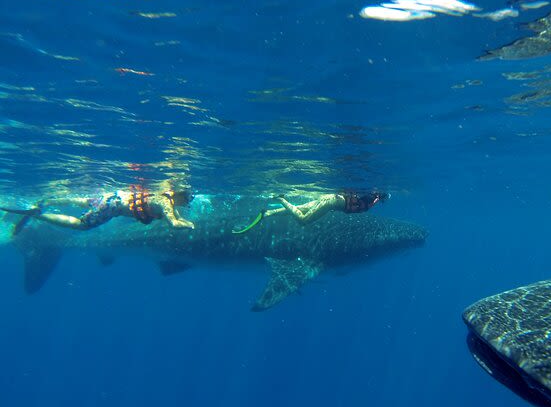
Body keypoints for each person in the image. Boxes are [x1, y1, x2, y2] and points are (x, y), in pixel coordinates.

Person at [0, 186, 195, 233]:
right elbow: (174, 222)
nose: (186, 205)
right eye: (187, 200)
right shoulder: (166, 206)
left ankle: (48, 200)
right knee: (81, 224)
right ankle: (40, 215)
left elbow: (174, 215)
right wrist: (190, 226)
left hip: (111, 195)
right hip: (112, 208)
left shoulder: (162, 194)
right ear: (180, 196)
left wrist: (183, 220)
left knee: (83, 201)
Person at [233, 190, 389, 233]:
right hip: (333, 203)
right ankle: (281, 199)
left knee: (299, 209)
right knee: (303, 220)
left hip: (332, 199)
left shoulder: (371, 197)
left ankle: (267, 214)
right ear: (381, 198)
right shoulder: (370, 199)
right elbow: (355, 201)